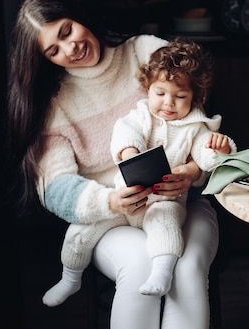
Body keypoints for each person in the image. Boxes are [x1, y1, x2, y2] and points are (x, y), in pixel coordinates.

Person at [6, 0, 220, 329]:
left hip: (182, 202)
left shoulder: (145, 51)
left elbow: (197, 128)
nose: (70, 49)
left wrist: (192, 172)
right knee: (139, 265)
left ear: (77, 16)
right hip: (111, 217)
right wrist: (111, 201)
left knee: (188, 266)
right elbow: (55, 188)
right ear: (46, 60)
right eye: (53, 50)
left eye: (66, 32)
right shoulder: (53, 103)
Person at [44, 38, 235, 305]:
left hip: (164, 201)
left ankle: (162, 272)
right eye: (160, 94)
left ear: (195, 97)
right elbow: (126, 132)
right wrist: (131, 154)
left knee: (167, 228)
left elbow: (206, 155)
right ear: (148, 89)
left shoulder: (197, 126)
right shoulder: (142, 113)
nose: (168, 103)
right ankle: (70, 278)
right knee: (81, 230)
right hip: (126, 197)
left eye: (180, 96)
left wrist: (219, 150)